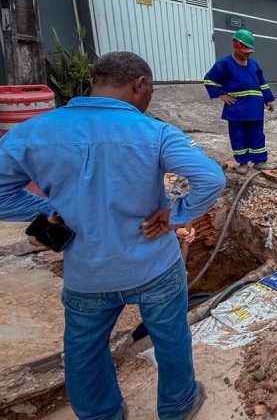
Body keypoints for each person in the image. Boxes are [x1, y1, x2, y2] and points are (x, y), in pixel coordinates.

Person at [0, 52, 226, 420]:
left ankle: (101, 414)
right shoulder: (155, 131)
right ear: (140, 85)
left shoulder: (34, 130)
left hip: (86, 271)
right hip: (153, 263)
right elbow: (211, 179)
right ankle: (178, 405)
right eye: (150, 89)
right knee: (170, 337)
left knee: (84, 349)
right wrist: (175, 215)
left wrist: (49, 213)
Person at [204, 29, 275, 174]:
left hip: (255, 108)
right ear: (235, 45)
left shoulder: (254, 65)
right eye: (244, 51)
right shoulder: (224, 64)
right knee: (238, 135)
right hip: (236, 109)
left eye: (249, 52)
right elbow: (209, 79)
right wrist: (220, 94)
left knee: (257, 134)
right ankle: (242, 162)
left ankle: (259, 161)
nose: (247, 54)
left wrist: (268, 99)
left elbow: (262, 83)